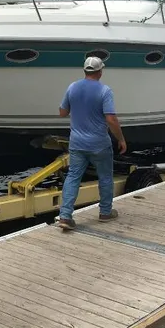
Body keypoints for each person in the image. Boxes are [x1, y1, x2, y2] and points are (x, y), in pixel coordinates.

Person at [57, 56, 127, 230]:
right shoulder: (105, 91)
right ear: (100, 71)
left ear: (84, 70)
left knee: (73, 176)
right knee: (105, 177)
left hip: (77, 143)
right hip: (99, 144)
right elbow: (110, 119)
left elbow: (62, 112)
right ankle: (105, 212)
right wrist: (121, 139)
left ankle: (65, 216)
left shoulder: (72, 87)